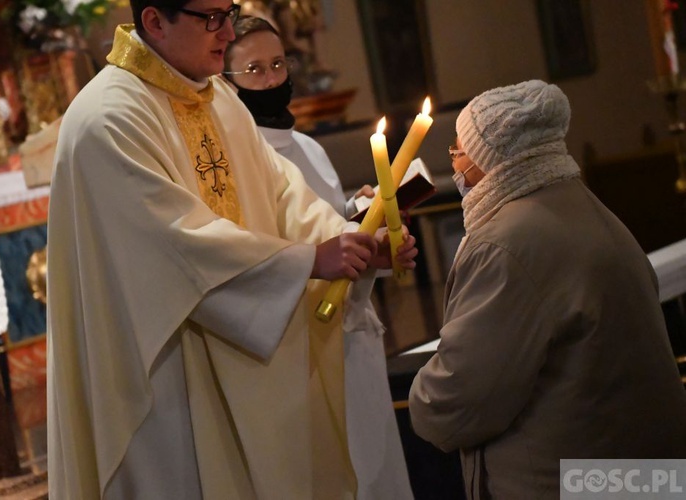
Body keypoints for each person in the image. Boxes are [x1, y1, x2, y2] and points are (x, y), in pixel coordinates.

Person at [45, 1, 418, 499]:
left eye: (229, 11)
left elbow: (283, 194)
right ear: (155, 21)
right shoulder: (107, 119)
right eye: (211, 18)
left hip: (246, 361)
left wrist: (353, 244)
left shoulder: (219, 98)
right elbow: (174, 243)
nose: (227, 31)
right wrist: (309, 260)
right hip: (170, 378)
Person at [408, 80, 686, 499]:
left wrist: (419, 397)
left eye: (459, 150)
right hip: (635, 477)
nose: (454, 163)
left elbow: (456, 403)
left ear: (493, 159)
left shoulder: (506, 243)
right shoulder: (586, 206)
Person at [222, 16, 413, 500]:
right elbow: (259, 247)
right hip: (301, 346)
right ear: (226, 82)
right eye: (255, 70)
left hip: (352, 331)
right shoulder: (234, 158)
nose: (271, 80)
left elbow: (323, 220)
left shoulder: (307, 147)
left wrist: (363, 221)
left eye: (279, 64)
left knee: (375, 468)